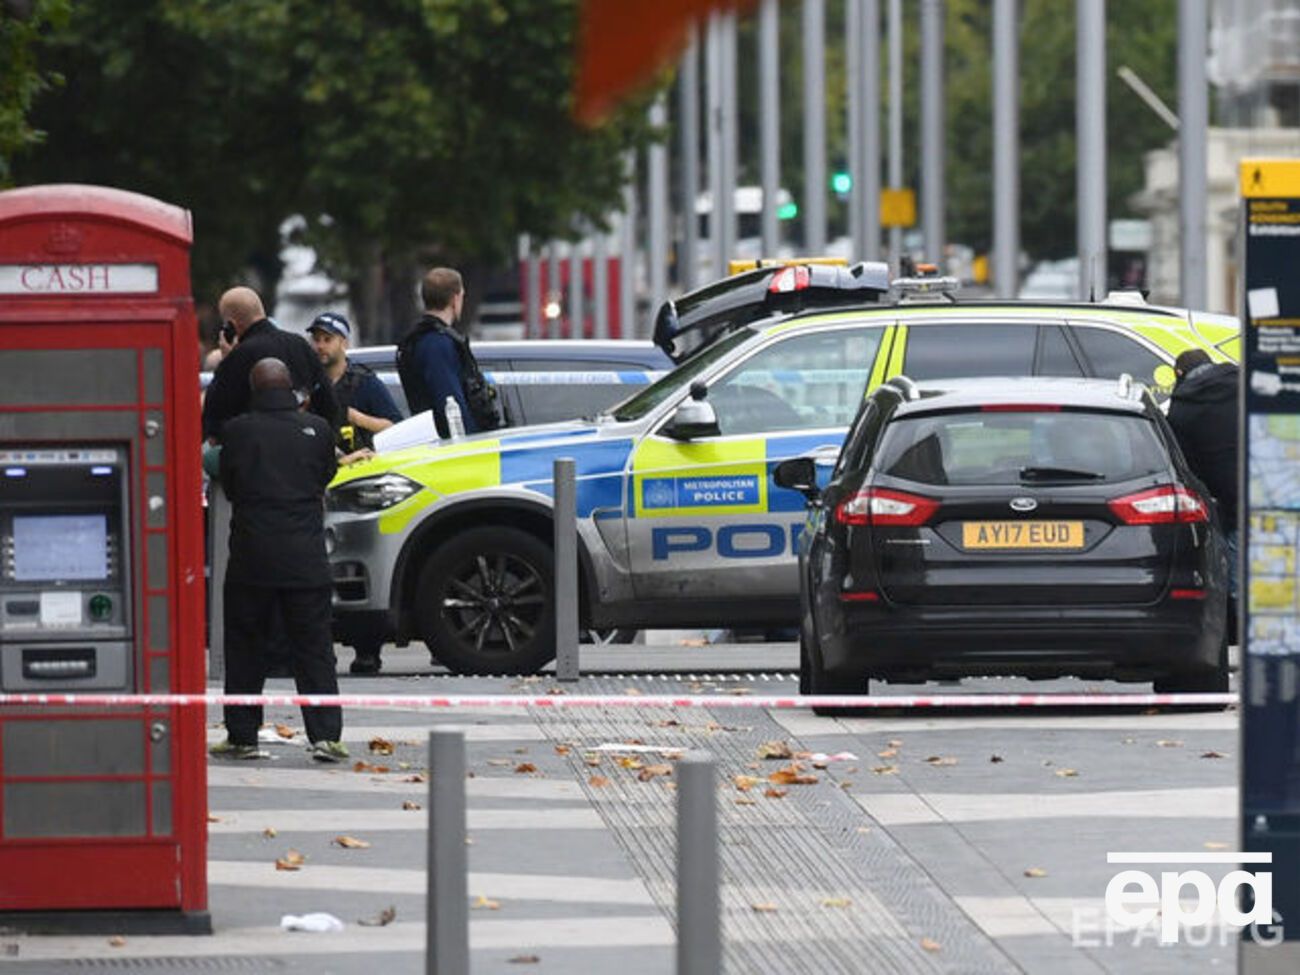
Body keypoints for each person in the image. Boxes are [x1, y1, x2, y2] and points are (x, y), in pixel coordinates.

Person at [209, 357, 348, 762]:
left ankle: (242, 736)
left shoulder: (237, 432)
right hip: (306, 559)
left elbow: (230, 484)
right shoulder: (318, 430)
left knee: (245, 649)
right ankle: (325, 737)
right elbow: (326, 475)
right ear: (291, 389)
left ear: (255, 390)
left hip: (252, 560)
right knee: (315, 648)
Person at [202, 286, 340, 442]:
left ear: (231, 326)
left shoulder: (239, 357)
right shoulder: (300, 344)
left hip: (257, 453)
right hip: (305, 448)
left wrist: (228, 359)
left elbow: (214, 418)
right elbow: (329, 403)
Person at [1166, 348, 1240, 614]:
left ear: (1179, 374)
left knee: (1234, 543)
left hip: (1226, 493)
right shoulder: (1244, 381)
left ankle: (1238, 607)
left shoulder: (1181, 408)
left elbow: (1185, 464)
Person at [396, 267, 502, 438]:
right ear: (455, 299)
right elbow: (451, 405)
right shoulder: (437, 344)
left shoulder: (421, 340)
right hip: (455, 450)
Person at [308, 311, 404, 451]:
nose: (320, 346)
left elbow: (396, 428)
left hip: (361, 465)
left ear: (344, 343)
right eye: (316, 340)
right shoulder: (308, 382)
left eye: (327, 339)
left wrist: (357, 418)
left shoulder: (365, 382)